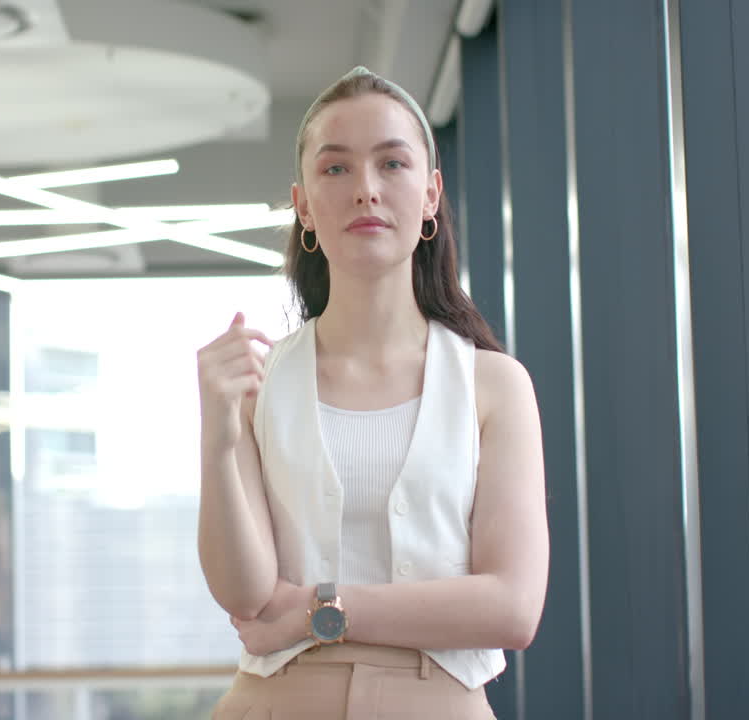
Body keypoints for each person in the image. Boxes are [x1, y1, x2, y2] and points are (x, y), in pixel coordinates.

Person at [195, 66, 549, 719]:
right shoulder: (257, 382)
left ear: (430, 195)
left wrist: (317, 611)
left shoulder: (493, 386)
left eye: (392, 164)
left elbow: (513, 607)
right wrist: (218, 438)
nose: (365, 190)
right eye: (336, 169)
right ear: (302, 204)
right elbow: (245, 596)